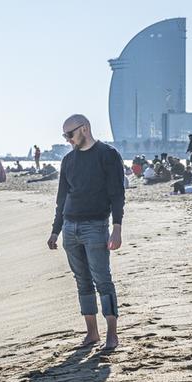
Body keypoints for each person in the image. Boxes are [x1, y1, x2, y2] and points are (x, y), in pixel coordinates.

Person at [48, 114, 126, 349]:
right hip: (70, 227)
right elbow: (61, 198)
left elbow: (117, 194)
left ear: (85, 129)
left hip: (96, 226)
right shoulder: (68, 161)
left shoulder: (108, 155)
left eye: (69, 134)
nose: (67, 140)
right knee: (82, 281)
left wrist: (117, 228)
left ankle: (112, 334)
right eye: (64, 136)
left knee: (103, 280)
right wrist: (55, 230)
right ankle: (92, 333)